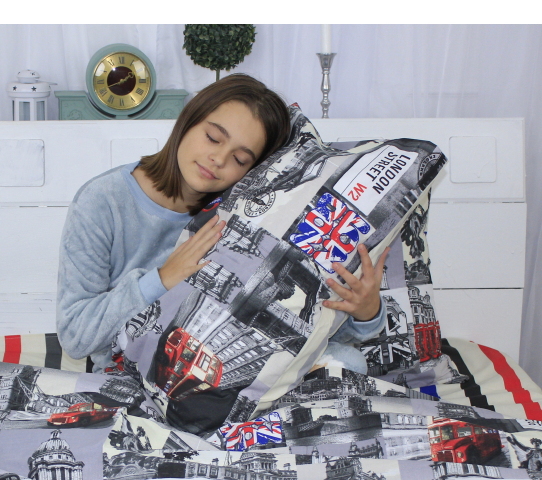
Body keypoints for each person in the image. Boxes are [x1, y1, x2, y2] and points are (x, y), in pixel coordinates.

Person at [56, 73, 387, 375]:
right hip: (137, 374)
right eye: (213, 138)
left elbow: (293, 326)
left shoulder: (245, 213)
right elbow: (75, 336)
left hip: (233, 372)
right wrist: (163, 278)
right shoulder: (102, 200)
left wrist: (367, 313)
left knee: (349, 363)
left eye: (240, 159)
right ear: (188, 121)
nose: (218, 159)